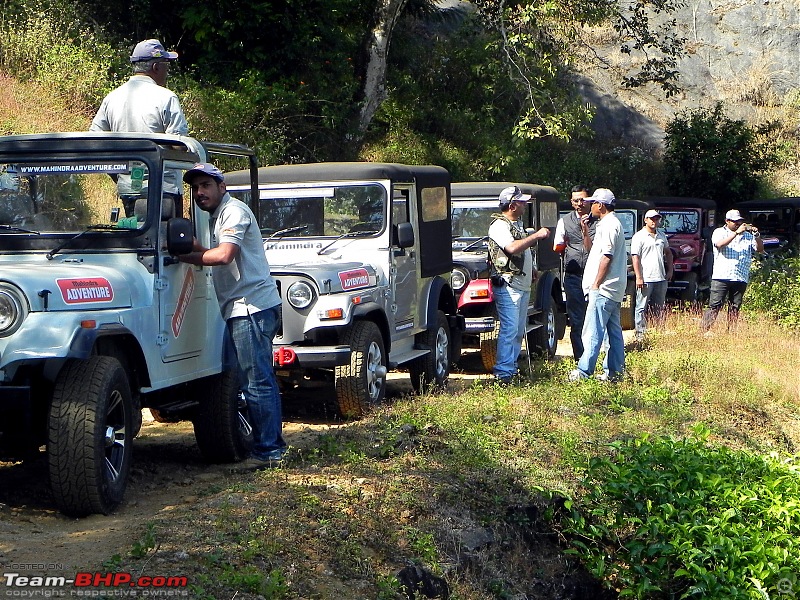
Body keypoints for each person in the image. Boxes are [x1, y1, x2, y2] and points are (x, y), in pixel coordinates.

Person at [179, 163, 286, 471]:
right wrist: (179, 244)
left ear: (221, 187)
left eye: (206, 186)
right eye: (196, 188)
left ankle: (271, 451)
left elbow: (223, 255)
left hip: (250, 307)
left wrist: (184, 255)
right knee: (242, 379)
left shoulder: (234, 213)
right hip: (240, 307)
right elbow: (207, 251)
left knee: (257, 381)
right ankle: (266, 445)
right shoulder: (217, 216)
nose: (200, 192)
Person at [90, 39, 188, 214]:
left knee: (135, 237)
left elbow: (94, 142)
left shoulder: (112, 98)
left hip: (128, 190)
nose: (167, 71)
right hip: (164, 190)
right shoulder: (167, 97)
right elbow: (177, 146)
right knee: (166, 240)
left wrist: (119, 174)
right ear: (156, 67)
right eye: (166, 65)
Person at [487, 186, 550, 384]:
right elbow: (512, 248)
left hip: (520, 284)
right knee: (510, 329)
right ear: (512, 205)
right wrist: (537, 236)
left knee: (518, 328)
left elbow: (521, 251)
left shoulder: (517, 224)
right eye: (521, 202)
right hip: (507, 284)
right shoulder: (499, 226)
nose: (525, 204)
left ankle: (511, 368)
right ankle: (503, 373)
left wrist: (531, 268)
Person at [568, 188, 627, 382]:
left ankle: (584, 372)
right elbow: (595, 251)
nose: (589, 205)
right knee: (613, 332)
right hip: (613, 288)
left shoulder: (609, 225)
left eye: (593, 202)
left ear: (600, 205)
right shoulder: (608, 224)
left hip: (604, 288)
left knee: (593, 331)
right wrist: (585, 231)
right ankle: (615, 372)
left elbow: (607, 256)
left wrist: (596, 284)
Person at [701, 208, 764, 332]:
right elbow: (719, 244)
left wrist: (756, 236)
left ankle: (731, 331)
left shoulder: (747, 236)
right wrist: (736, 234)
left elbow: (760, 249)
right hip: (722, 276)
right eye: (735, 221)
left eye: (739, 221)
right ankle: (704, 330)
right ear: (727, 221)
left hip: (740, 276)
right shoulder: (719, 232)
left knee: (735, 306)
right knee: (715, 305)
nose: (738, 224)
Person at [553, 185, 595, 359]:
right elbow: (557, 246)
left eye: (582, 200)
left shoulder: (599, 221)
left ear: (589, 200)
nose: (579, 203)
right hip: (573, 277)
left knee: (594, 318)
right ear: (571, 202)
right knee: (577, 320)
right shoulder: (564, 221)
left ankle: (594, 357)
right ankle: (580, 359)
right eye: (576, 200)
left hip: (594, 277)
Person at [630, 209, 673, 341]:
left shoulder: (661, 235)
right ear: (645, 220)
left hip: (660, 277)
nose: (654, 221)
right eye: (652, 219)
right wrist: (639, 276)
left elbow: (668, 253)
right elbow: (635, 257)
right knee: (641, 307)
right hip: (646, 278)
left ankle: (658, 332)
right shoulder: (639, 236)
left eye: (657, 219)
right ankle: (640, 335)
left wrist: (670, 270)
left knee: (659, 306)